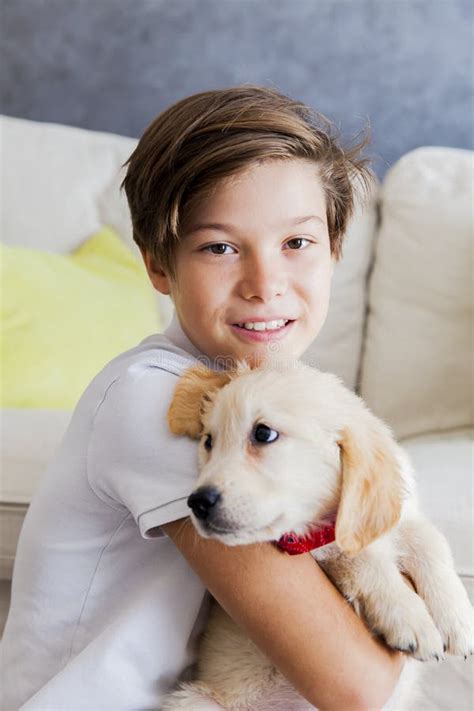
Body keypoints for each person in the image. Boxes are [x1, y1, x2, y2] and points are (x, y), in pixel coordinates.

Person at [1, 85, 405, 710]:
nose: (264, 285)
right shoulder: (159, 402)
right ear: (159, 266)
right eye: (219, 247)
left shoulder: (263, 397)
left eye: (296, 243)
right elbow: (356, 685)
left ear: (335, 251)